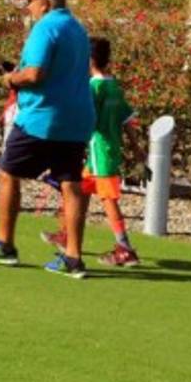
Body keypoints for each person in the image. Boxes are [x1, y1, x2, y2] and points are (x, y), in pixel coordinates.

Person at [0, 0, 95, 278]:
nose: (28, 8)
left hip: (42, 117)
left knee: (7, 172)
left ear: (45, 2)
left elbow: (35, 74)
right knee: (70, 183)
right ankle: (73, 259)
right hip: (76, 117)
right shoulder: (78, 28)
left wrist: (10, 78)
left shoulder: (46, 27)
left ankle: (5, 245)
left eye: (31, 1)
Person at [42, 37, 143, 266]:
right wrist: (137, 149)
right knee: (79, 190)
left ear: (89, 59)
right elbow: (126, 119)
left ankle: (125, 249)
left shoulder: (93, 87)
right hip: (108, 149)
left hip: (99, 152)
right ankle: (67, 233)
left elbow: (86, 117)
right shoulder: (113, 85)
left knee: (108, 200)